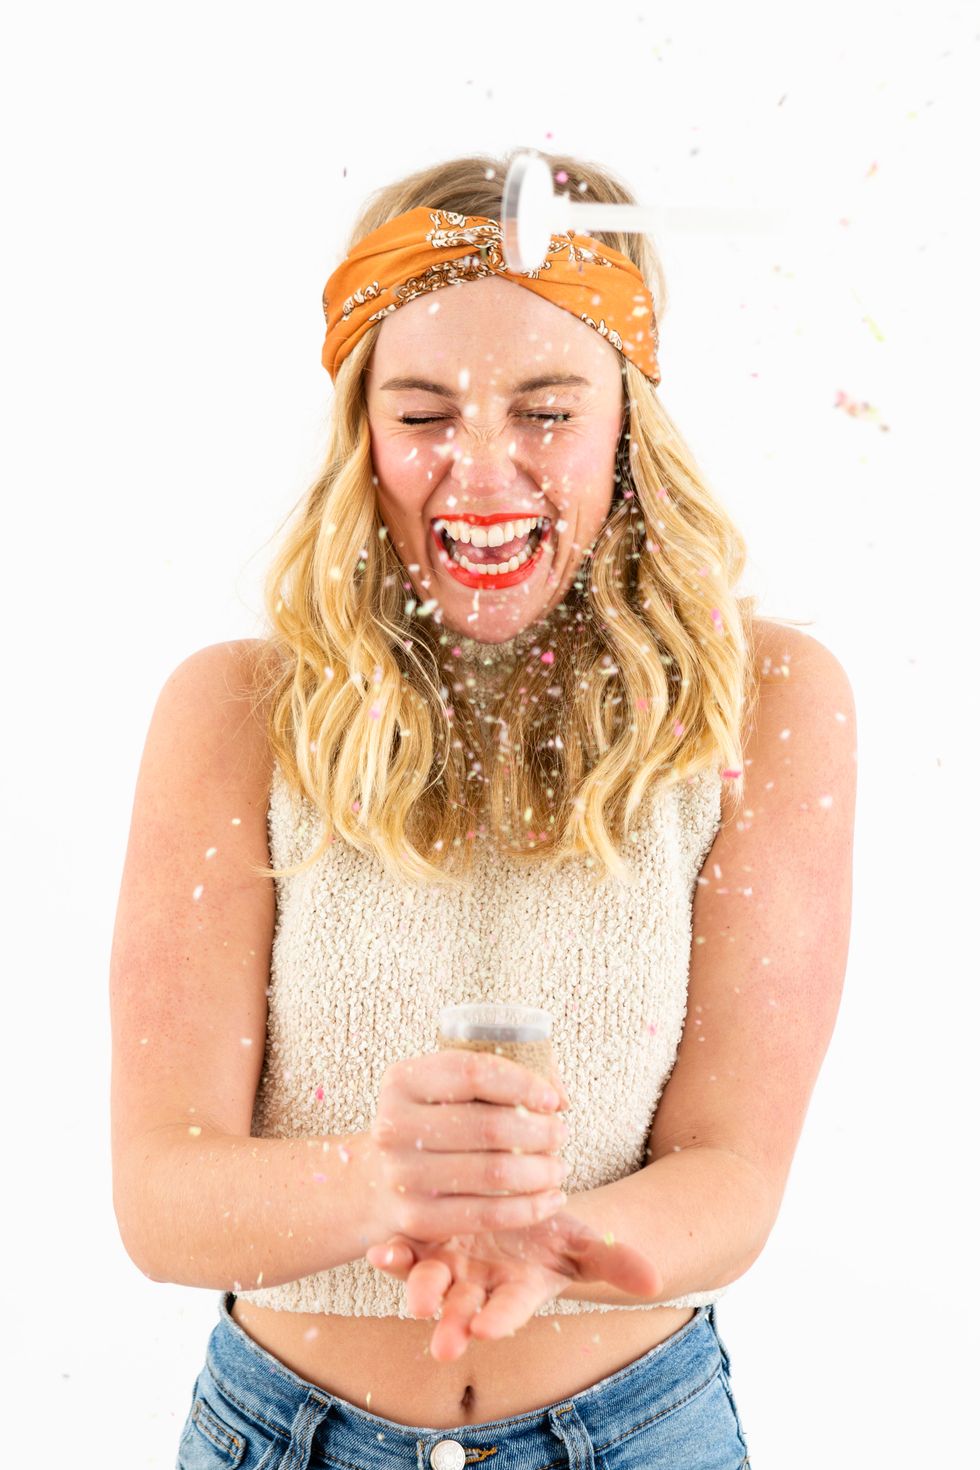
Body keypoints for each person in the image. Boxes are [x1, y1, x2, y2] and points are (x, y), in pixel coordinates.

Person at [110, 149, 856, 1469]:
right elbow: (163, 1196)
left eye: (547, 410)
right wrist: (388, 1184)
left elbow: (735, 1171)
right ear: (362, 430)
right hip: (284, 1437)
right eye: (424, 412)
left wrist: (560, 1240)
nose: (484, 471)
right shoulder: (233, 713)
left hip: (644, 1434)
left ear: (627, 420)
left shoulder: (765, 706)